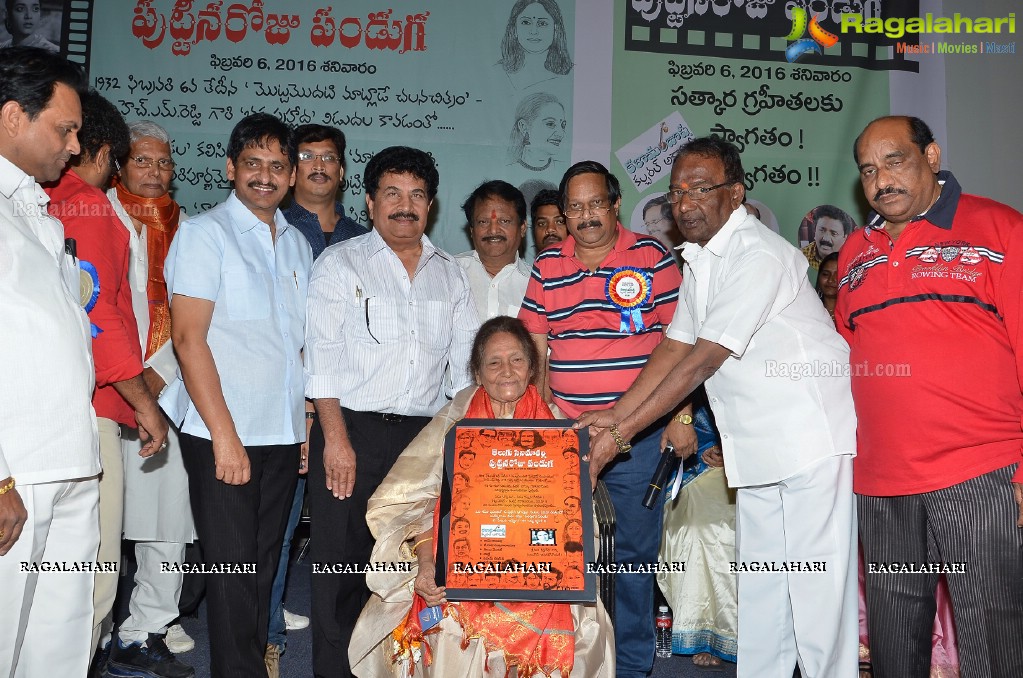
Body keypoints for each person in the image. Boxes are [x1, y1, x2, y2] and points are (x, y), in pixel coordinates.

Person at [576, 137, 858, 678]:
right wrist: (616, 413)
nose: (685, 204)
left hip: (808, 438)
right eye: (677, 191)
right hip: (754, 444)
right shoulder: (702, 260)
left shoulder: (758, 254)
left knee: (818, 591)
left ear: (736, 193)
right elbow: (673, 347)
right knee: (762, 591)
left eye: (701, 189)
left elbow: (702, 361)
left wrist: (619, 436)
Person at [837, 115, 1023, 677]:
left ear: (933, 155)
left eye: (895, 161)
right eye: (868, 170)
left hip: (980, 475)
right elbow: (847, 359)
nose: (881, 180)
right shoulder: (852, 253)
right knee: (894, 649)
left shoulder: (998, 228)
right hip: (882, 486)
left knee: (991, 643)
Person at [349, 316, 613, 677]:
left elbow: (574, 522)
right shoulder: (453, 422)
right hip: (458, 561)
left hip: (540, 566)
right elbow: (421, 503)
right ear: (477, 372)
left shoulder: (559, 429)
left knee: (576, 617)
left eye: (517, 360)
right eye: (494, 362)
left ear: (533, 368)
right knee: (449, 617)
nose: (507, 371)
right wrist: (428, 565)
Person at [304, 145, 479, 678]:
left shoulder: (451, 274)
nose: (405, 206)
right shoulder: (340, 262)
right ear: (370, 200)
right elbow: (321, 356)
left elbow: (464, 373)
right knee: (340, 564)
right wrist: (334, 438)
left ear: (431, 205)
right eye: (393, 194)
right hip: (350, 430)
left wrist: (458, 450)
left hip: (422, 441)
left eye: (417, 196)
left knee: (408, 569)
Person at [159, 113, 311, 678]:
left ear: (292, 175)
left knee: (264, 568)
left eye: (277, 166)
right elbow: (187, 338)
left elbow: (295, 349)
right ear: (230, 168)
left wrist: (304, 425)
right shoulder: (205, 234)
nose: (266, 176)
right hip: (222, 431)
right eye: (254, 164)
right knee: (231, 572)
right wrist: (225, 437)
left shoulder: (297, 245)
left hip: (281, 432)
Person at [518, 160, 683, 678]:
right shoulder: (547, 266)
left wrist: (680, 415)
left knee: (634, 556)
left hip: (639, 432)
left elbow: (681, 346)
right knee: (566, 552)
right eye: (575, 207)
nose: (586, 216)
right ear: (562, 214)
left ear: (615, 205)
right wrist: (541, 427)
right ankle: (572, 660)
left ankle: (632, 665)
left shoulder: (652, 257)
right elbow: (537, 354)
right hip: (567, 433)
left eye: (596, 204)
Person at [45, 89, 177, 675]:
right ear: (111, 157)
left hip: (106, 393)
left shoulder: (43, 200)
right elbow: (103, 316)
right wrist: (142, 396)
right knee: (93, 559)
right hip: (102, 400)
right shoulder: (92, 207)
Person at [0, 45, 95, 678]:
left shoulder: (33, 205)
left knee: (58, 644)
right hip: (18, 474)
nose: (75, 145)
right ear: (12, 116)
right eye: (65, 129)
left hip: (70, 459)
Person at [264, 123, 367, 674]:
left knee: (347, 530)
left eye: (330, 157)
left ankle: (363, 638)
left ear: (344, 170)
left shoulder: (360, 237)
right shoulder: (273, 227)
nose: (319, 166)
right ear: (292, 167)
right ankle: (268, 635)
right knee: (277, 528)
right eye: (307, 156)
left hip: (349, 406)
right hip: (282, 403)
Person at [104, 119, 197, 675]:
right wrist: (133, 382)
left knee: (168, 520)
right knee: (102, 522)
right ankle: (94, 625)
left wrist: (159, 378)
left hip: (170, 391)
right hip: (104, 391)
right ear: (119, 164)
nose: (156, 171)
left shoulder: (186, 227)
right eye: (143, 160)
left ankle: (147, 626)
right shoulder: (98, 217)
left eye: (164, 162)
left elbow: (194, 313)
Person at [657, 400, 737, 670]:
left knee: (741, 525)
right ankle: (708, 633)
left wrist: (733, 451)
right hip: (691, 461)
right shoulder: (688, 364)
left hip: (751, 455)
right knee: (701, 528)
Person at [455, 180, 531, 320]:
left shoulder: (535, 284)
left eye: (504, 221)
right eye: (483, 222)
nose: (493, 230)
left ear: (523, 228)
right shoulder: (451, 272)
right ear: (472, 230)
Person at [499, 0, 573, 91]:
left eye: (542, 24)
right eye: (526, 22)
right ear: (514, 28)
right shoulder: (497, 72)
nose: (534, 31)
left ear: (556, 30)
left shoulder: (572, 75)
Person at [508, 92, 567, 174]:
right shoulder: (508, 171)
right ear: (524, 127)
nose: (561, 134)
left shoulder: (565, 172)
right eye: (550, 124)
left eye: (563, 125)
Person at [800, 204, 856, 269]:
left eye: (834, 233)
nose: (826, 238)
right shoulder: (802, 255)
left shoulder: (851, 264)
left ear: (845, 238)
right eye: (822, 230)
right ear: (815, 231)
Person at [815, 251, 839, 322]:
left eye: (837, 275)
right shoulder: (809, 308)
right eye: (825, 274)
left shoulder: (854, 312)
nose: (831, 280)